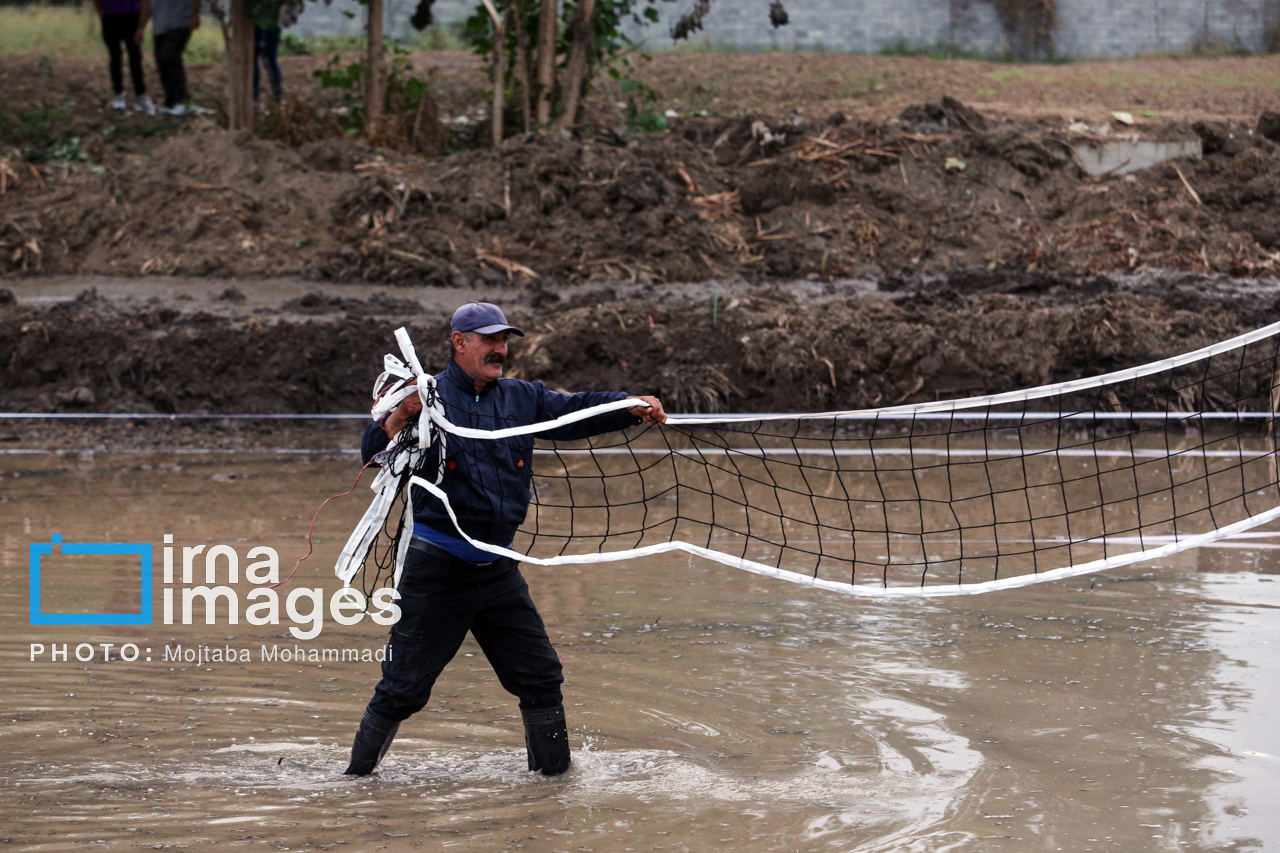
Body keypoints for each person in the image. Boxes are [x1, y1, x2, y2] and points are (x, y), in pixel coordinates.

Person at [345, 302, 666, 778]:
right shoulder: (425, 397)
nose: (501, 349)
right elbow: (372, 457)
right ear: (460, 342)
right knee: (402, 691)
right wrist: (395, 422)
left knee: (541, 679)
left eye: (505, 340)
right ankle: (354, 782)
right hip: (437, 571)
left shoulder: (521, 396)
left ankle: (553, 787)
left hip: (498, 571)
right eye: (490, 339)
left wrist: (627, 405)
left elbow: (574, 411)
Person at [136, 0, 200, 116]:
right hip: (160, 27)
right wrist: (141, 28)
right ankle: (170, 102)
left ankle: (182, 102)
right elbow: (146, 7)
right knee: (162, 63)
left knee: (171, 58)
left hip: (180, 23)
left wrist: (195, 14)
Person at [94, 0, 155, 114]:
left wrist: (141, 27)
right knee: (115, 56)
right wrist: (104, 16)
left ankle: (140, 95)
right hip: (110, 17)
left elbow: (145, 3)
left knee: (135, 57)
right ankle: (119, 93)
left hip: (132, 17)